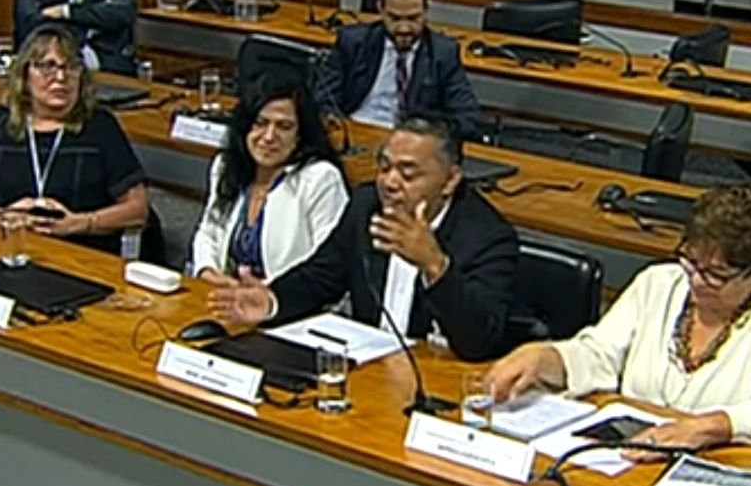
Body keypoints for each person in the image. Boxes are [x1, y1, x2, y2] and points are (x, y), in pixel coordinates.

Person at [483, 184, 751, 457]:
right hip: (638, 458)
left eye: (717, 274)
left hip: (734, 465)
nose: (696, 281)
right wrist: (547, 358)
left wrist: (711, 427)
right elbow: (600, 355)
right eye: (691, 262)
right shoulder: (658, 282)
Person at [207, 114, 520, 361]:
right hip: (369, 367)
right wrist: (272, 300)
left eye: (408, 173)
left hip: (438, 380)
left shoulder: (487, 236)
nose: (390, 183)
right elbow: (322, 275)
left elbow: (479, 341)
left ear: (450, 180)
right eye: (384, 168)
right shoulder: (366, 205)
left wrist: (435, 265)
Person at [0, 25, 152, 258]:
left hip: (81, 257)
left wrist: (81, 223)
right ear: (25, 75)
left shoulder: (100, 127)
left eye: (70, 67)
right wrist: (0, 217)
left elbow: (137, 209)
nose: (60, 78)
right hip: (5, 252)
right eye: (47, 66)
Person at [189, 78, 350, 284]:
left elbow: (327, 266)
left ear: (300, 135)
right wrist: (208, 272)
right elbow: (208, 231)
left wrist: (267, 293)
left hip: (287, 299)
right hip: (224, 292)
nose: (269, 137)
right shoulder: (226, 166)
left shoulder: (322, 179)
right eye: (260, 123)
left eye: (284, 126)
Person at [318, 0, 486, 142]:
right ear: (381, 9)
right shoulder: (353, 43)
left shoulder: (443, 53)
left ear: (426, 11)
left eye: (413, 18)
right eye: (395, 18)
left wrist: (428, 133)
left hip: (414, 142)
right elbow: (323, 100)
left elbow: (469, 119)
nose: (404, 28)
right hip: (355, 133)